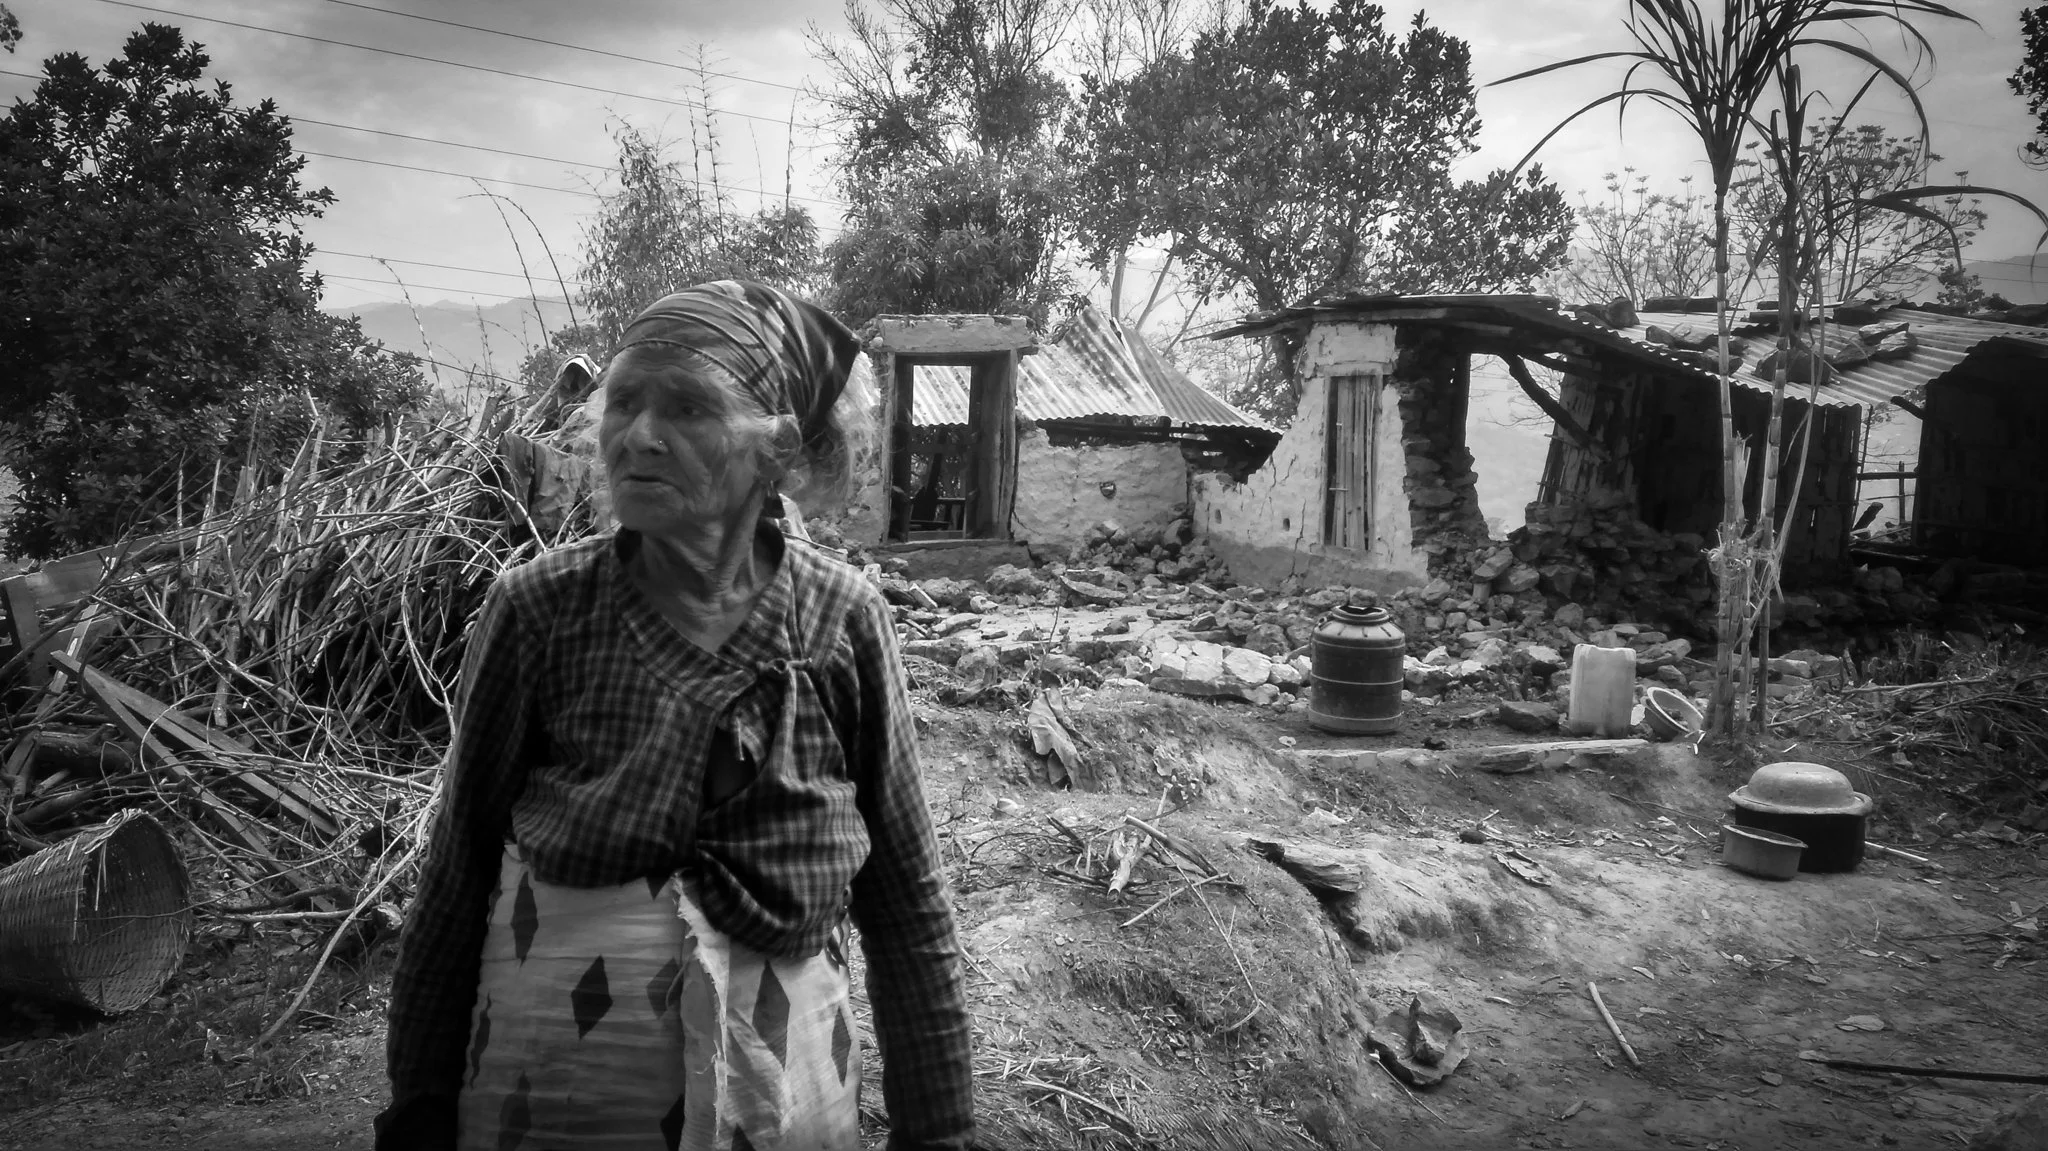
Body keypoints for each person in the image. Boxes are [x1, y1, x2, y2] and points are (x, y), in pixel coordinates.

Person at [375, 281, 974, 1150]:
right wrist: (419, 1104)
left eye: (688, 406)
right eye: (625, 402)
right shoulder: (540, 609)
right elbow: (457, 868)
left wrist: (941, 1132)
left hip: (786, 1106)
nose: (638, 436)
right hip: (548, 1105)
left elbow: (909, 904)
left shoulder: (843, 618)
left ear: (776, 450)